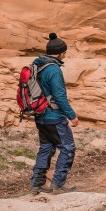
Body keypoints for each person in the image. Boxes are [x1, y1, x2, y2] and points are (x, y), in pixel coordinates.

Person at [29, 33, 79, 194]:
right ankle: (58, 184)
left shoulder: (37, 66)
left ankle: (37, 184)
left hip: (40, 116)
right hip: (54, 117)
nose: (65, 55)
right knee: (68, 147)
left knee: (46, 147)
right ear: (60, 53)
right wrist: (72, 115)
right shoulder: (53, 69)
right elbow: (59, 96)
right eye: (64, 53)